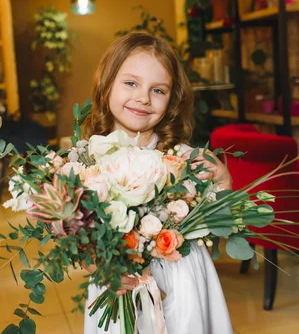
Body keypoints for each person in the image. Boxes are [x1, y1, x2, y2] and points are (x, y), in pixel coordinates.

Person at [83, 32, 234, 333]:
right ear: (106, 83)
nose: (143, 98)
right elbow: (81, 241)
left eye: (158, 90)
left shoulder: (185, 159)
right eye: (130, 83)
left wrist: (224, 180)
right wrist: (100, 267)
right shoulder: (86, 165)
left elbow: (223, 221)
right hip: (120, 288)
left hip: (184, 281)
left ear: (172, 99)